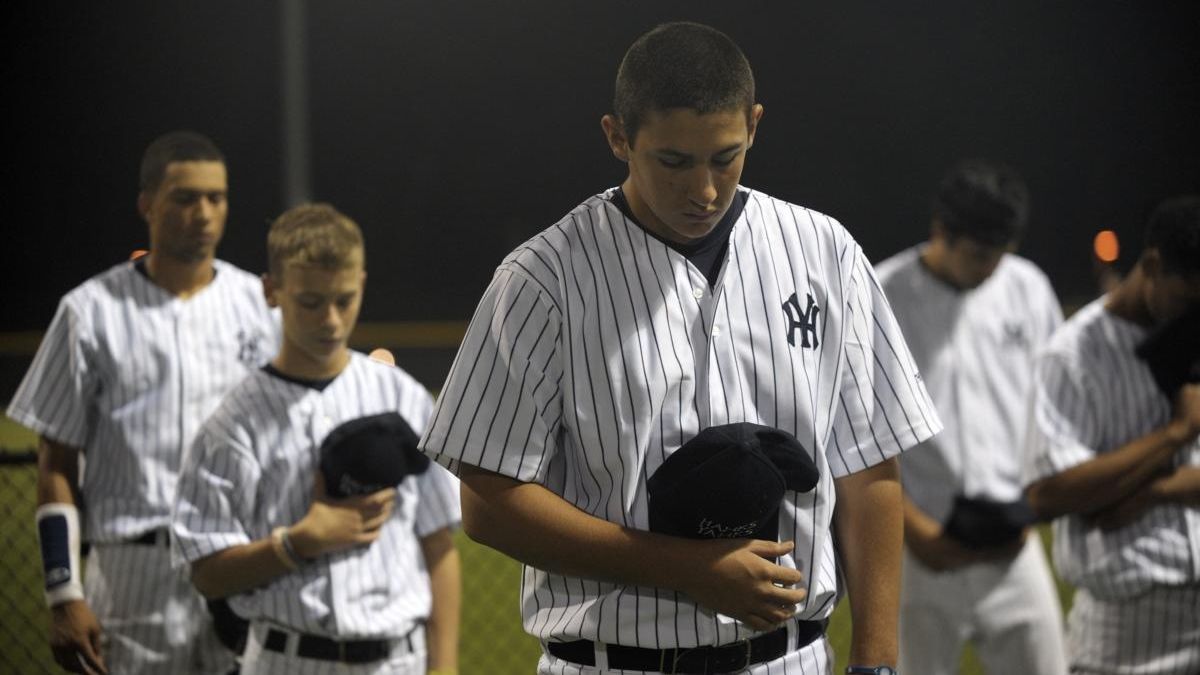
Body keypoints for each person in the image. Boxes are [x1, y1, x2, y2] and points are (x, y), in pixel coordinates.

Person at [420, 21, 940, 675]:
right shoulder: (542, 277)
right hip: (610, 661)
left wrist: (877, 660)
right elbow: (489, 501)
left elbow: (869, 469)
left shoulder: (824, 251)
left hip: (789, 660)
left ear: (753, 124)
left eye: (725, 156)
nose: (704, 190)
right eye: (674, 161)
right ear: (618, 137)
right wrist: (685, 567)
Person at [8, 131, 279, 674]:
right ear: (147, 204)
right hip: (132, 576)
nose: (203, 212)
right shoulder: (89, 311)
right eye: (184, 197)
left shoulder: (262, 306)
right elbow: (56, 464)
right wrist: (64, 593)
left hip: (242, 567)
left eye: (216, 198)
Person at [171, 203, 462, 675]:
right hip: (287, 659)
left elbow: (438, 548)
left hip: (400, 661)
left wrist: (444, 668)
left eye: (344, 299)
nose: (330, 319)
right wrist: (297, 543)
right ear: (272, 292)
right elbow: (206, 573)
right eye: (310, 302)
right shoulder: (232, 421)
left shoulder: (404, 396)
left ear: (361, 284)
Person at [874, 159, 1067, 674]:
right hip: (923, 545)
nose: (992, 268)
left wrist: (1032, 507)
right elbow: (859, 430)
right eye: (981, 254)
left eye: (1002, 253)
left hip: (1012, 542)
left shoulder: (1027, 287)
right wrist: (912, 530)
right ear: (941, 229)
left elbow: (1049, 409)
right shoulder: (881, 293)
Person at [1024, 195, 1200, 675]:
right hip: (1127, 634)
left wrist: (1149, 490)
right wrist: (1176, 433)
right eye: (1190, 298)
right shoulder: (1072, 355)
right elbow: (1048, 495)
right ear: (1152, 265)